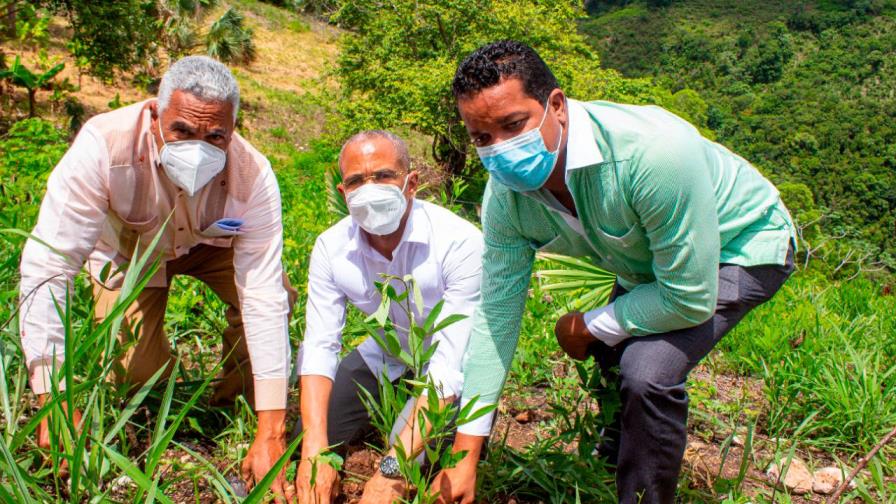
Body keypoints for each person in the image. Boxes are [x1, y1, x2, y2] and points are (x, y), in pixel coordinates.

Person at [433, 40, 796, 504]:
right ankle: (616, 456)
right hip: (649, 258)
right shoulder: (506, 197)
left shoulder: (651, 155)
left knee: (647, 370)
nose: (500, 150)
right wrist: (466, 452)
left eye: (513, 125)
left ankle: (644, 495)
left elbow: (688, 298)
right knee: (612, 349)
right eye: (482, 138)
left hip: (740, 244)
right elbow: (495, 316)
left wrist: (584, 324)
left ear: (556, 106)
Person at [19, 56, 298, 499]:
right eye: (183, 131)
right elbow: (50, 266)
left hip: (213, 248)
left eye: (215, 137)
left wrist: (272, 432)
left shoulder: (252, 173)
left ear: (233, 130)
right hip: (133, 252)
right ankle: (168, 393)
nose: (199, 147)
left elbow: (261, 293)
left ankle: (236, 404)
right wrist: (52, 396)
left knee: (277, 298)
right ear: (154, 115)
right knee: (136, 371)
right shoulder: (103, 146)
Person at [294, 130, 482, 504]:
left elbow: (449, 367)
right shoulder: (331, 248)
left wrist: (391, 472)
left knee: (428, 455)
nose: (370, 188)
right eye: (356, 181)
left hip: (450, 366)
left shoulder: (458, 242)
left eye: (383, 176)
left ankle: (405, 443)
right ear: (343, 193)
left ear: (410, 183)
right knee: (312, 430)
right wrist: (314, 452)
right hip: (386, 353)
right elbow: (319, 345)